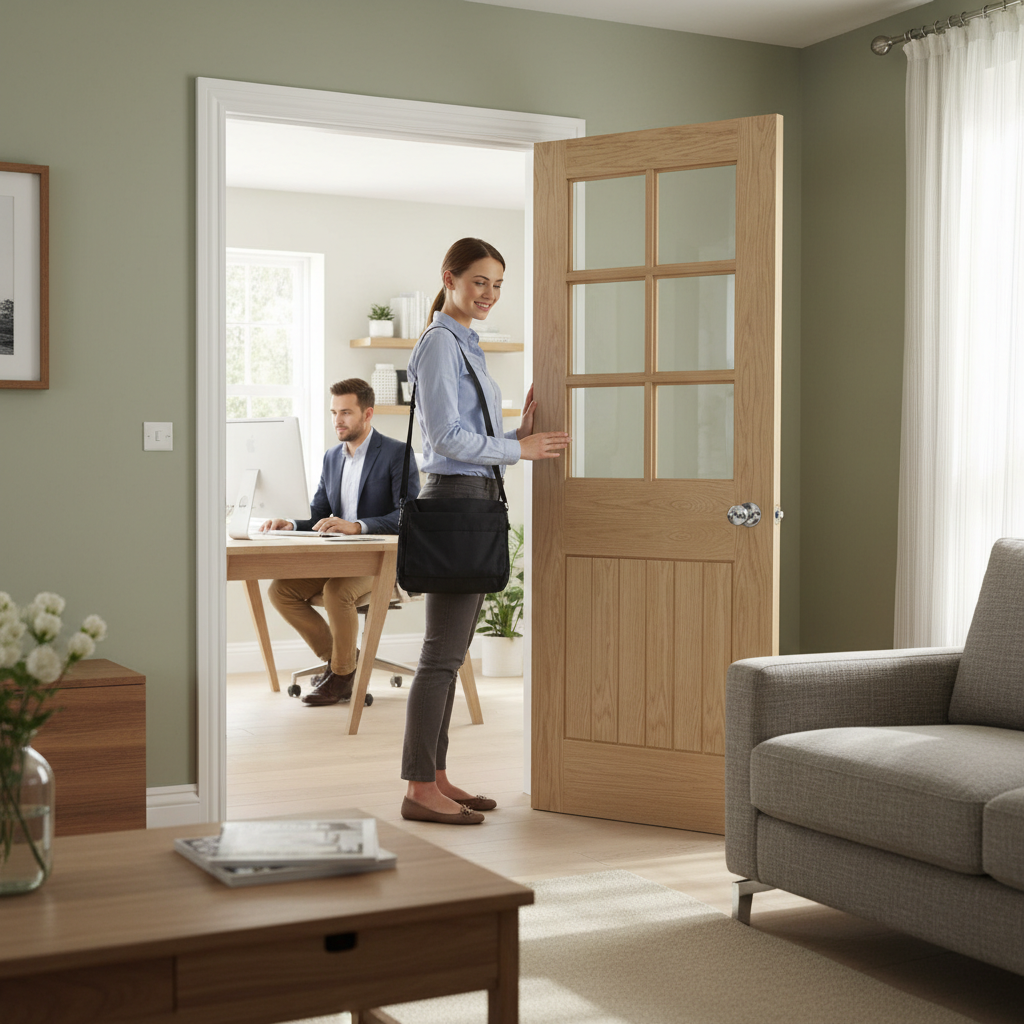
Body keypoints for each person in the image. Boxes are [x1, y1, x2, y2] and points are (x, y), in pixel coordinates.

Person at [400, 237, 570, 825]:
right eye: (479, 282)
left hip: (471, 500)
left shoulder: (463, 343)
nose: (489, 294)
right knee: (440, 657)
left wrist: (516, 429)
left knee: (449, 654)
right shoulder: (441, 344)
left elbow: (469, 432)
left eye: (498, 284)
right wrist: (516, 448)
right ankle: (419, 788)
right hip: (455, 502)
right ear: (449, 278)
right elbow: (446, 441)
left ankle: (437, 775)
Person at [260, 378, 419, 706]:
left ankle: (343, 675)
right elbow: (318, 513)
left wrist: (358, 526)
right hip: (339, 559)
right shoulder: (332, 457)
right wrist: (289, 522)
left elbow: (408, 517)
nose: (337, 420)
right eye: (334, 412)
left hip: (383, 560)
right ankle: (343, 664)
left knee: (337, 592)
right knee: (281, 590)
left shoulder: (396, 453)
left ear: (368, 414)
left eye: (346, 412)